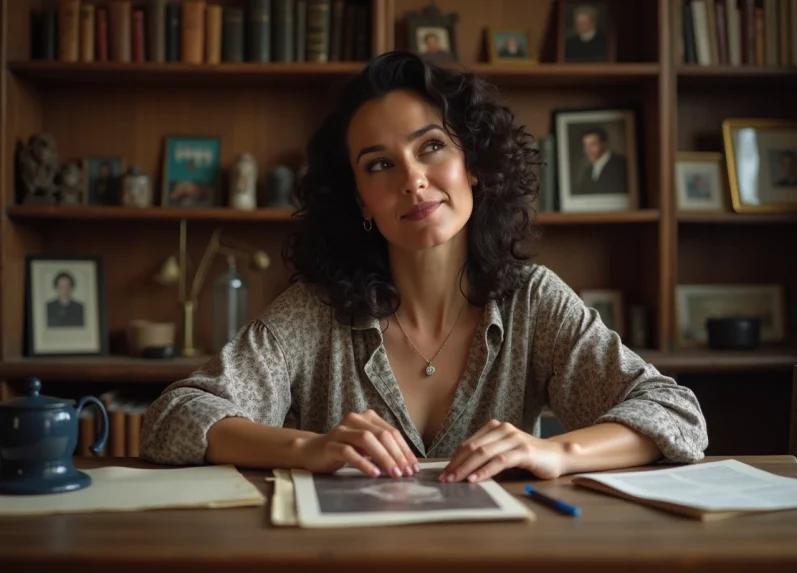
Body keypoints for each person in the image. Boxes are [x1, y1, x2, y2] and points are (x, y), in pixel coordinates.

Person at [140, 51, 707, 485]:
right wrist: (304, 447)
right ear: (361, 198)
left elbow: (675, 413)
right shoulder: (315, 312)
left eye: (431, 146)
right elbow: (174, 418)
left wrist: (557, 451)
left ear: (474, 165)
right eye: (380, 164)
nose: (411, 180)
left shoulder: (532, 301)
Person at [576, 126, 628, 195]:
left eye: (592, 144)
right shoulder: (588, 171)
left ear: (604, 144)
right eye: (586, 146)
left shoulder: (622, 164)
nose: (588, 150)